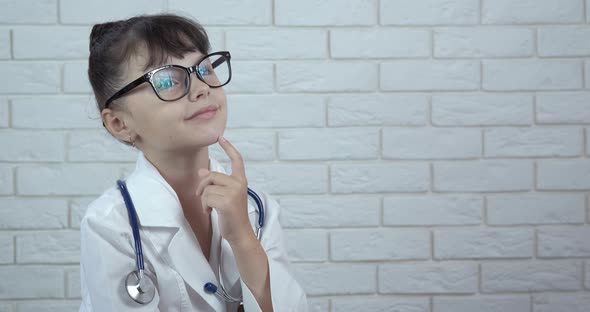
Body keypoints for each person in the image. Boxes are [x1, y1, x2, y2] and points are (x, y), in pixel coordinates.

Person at [79, 13, 308, 312]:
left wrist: (243, 238)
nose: (201, 87)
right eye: (167, 79)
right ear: (120, 123)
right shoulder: (110, 225)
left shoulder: (258, 210)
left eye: (203, 68)